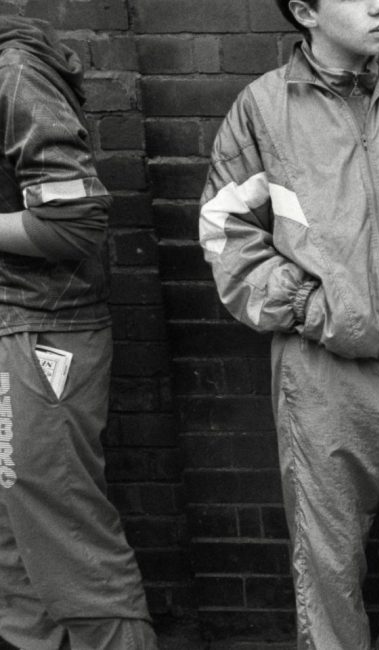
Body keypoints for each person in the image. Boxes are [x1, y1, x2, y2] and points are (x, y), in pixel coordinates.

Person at [199, 0, 379, 646]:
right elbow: (223, 232)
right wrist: (304, 304)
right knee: (326, 563)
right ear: (305, 12)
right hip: (321, 371)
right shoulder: (264, 109)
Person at [0, 15, 160, 650]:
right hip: (16, 327)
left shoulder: (12, 73)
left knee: (68, 543)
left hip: (40, 332)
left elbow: (73, 222)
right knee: (17, 554)